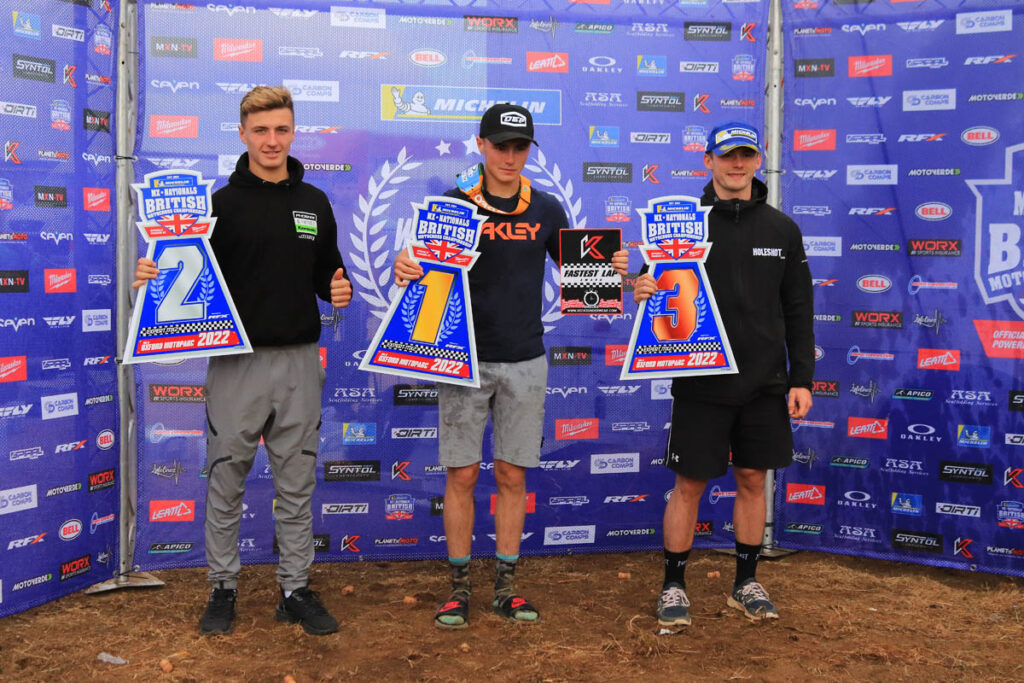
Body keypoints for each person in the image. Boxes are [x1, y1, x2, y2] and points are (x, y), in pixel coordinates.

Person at [393, 103, 629, 629]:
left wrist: (616, 271)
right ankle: (458, 589)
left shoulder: (545, 208)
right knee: (461, 474)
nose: (510, 156)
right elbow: (417, 276)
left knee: (511, 475)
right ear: (480, 145)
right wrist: (403, 266)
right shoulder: (452, 205)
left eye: (520, 147)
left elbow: (584, 279)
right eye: (500, 145)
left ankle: (505, 587)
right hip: (461, 359)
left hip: (525, 359)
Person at [133, 86, 352, 636]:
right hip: (236, 363)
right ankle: (223, 587)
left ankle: (295, 589)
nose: (271, 140)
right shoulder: (219, 204)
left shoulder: (315, 201)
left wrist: (338, 288)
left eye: (281, 129)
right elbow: (183, 273)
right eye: (261, 131)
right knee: (226, 479)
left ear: (293, 133)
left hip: (300, 362)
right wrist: (152, 274)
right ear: (242, 134)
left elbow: (328, 273)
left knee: (296, 484)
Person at [630, 121, 814, 626]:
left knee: (753, 478)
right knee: (689, 483)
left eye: (746, 155)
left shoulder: (782, 229)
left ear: (758, 161)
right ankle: (673, 585)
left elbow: (799, 309)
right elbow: (648, 281)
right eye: (727, 155)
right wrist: (640, 286)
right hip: (700, 380)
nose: (737, 164)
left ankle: (745, 583)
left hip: (765, 382)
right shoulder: (682, 225)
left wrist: (802, 378)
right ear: (707, 160)